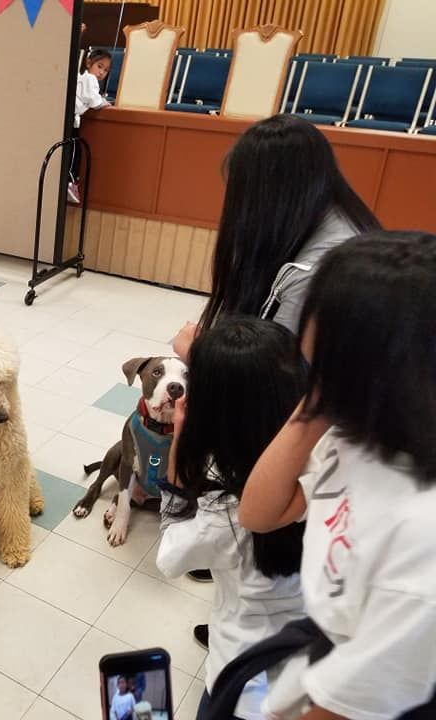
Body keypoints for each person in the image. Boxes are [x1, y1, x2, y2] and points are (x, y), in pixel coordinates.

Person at [169, 114, 379, 636]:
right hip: (318, 445)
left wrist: (200, 357)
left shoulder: (319, 269)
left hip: (306, 438)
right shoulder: (330, 228)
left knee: (271, 533)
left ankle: (255, 619)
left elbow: (266, 378)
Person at [239, 232, 436, 720]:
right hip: (326, 654)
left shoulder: (421, 531)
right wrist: (319, 402)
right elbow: (259, 512)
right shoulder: (356, 434)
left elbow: (356, 706)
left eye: (319, 361)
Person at [157, 318, 307, 720]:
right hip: (315, 669)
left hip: (243, 683)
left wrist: (179, 448)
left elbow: (170, 556)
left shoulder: (225, 517)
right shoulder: (328, 471)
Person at [172, 114, 380, 361]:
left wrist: (197, 354)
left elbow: (273, 383)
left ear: (271, 196)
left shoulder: (314, 273)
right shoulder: (339, 218)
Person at [75, 48, 112, 128]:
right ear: (88, 63)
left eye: (106, 70)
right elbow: (94, 102)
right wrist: (105, 103)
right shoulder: (91, 78)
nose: (102, 72)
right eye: (99, 66)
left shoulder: (81, 77)